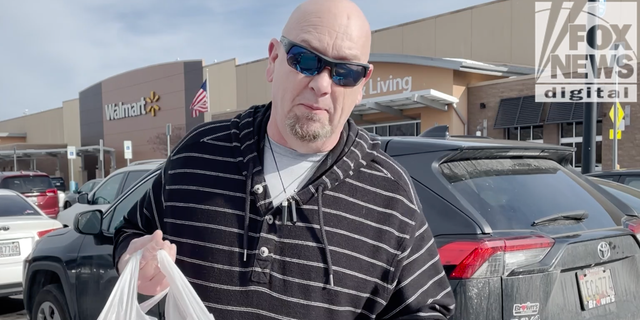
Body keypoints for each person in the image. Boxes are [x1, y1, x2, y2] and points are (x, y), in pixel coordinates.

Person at [113, 0, 456, 318]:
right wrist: (133, 258)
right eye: (305, 60)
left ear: (362, 82)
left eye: (344, 72)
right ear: (274, 60)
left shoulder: (391, 194)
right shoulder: (197, 154)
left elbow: (427, 309)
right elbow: (133, 229)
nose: (322, 84)